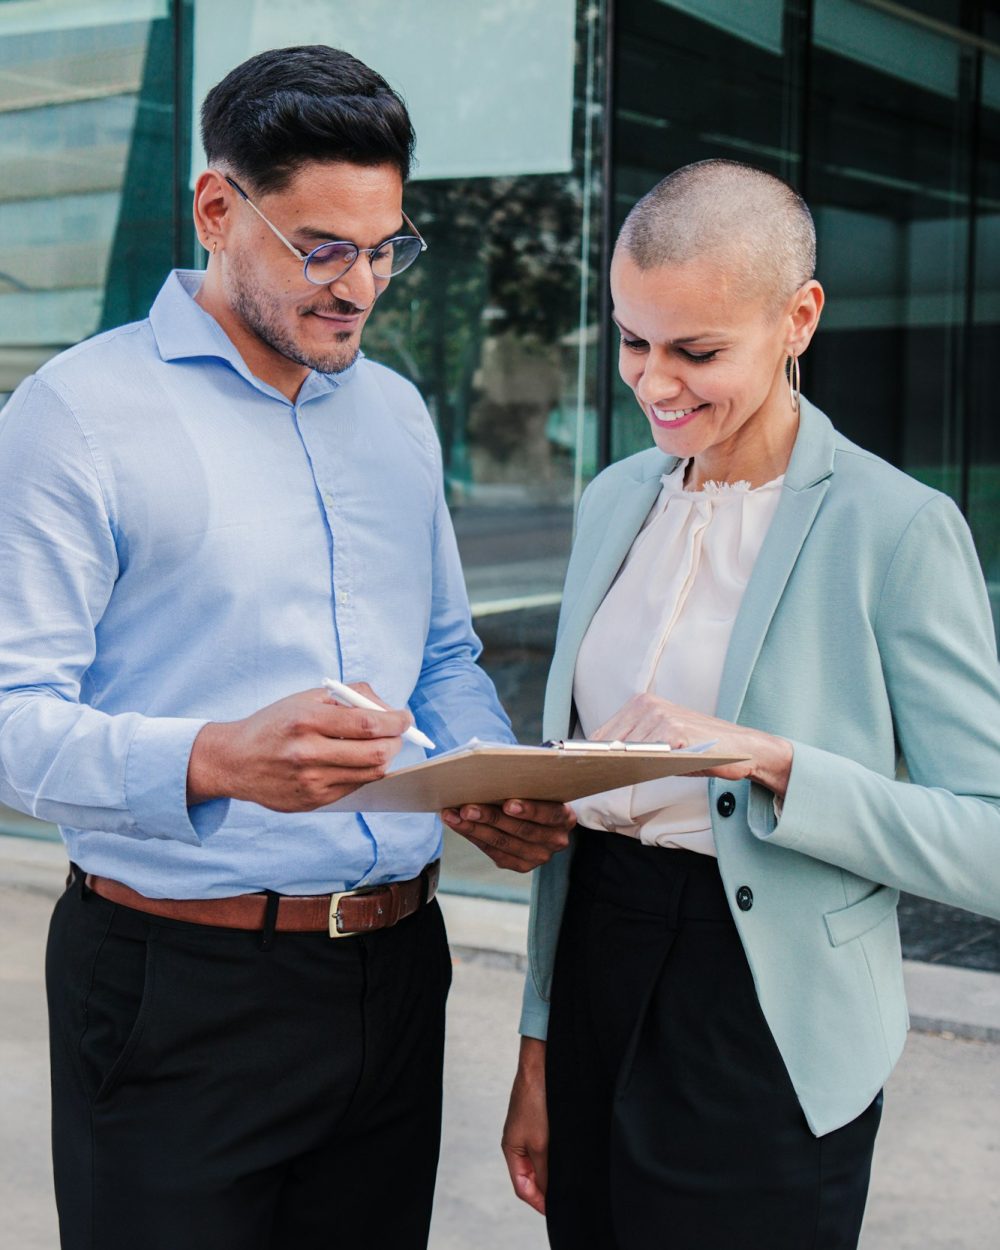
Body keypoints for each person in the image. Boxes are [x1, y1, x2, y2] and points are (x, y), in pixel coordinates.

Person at [0, 45, 573, 1250]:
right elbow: (11, 719)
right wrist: (214, 757)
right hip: (175, 986)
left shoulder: (399, 413)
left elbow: (444, 655)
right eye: (321, 247)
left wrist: (482, 773)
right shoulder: (72, 417)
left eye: (384, 249)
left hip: (395, 969)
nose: (358, 286)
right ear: (219, 208)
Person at [501, 159, 1000, 1250]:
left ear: (797, 319)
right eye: (633, 340)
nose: (653, 382)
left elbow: (987, 839)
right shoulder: (612, 499)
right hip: (596, 962)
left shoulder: (896, 528)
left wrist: (776, 762)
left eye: (696, 350)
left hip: (765, 1012)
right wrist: (538, 1042)